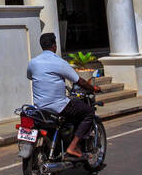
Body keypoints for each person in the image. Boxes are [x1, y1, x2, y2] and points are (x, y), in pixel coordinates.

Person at [26, 32, 99, 160]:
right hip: (58, 106)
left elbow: (30, 76)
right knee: (89, 112)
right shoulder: (59, 62)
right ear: (54, 46)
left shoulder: (33, 62)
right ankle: (73, 146)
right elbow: (79, 81)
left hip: (39, 107)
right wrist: (92, 88)